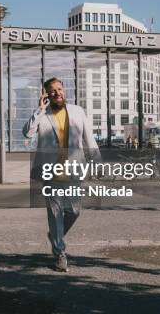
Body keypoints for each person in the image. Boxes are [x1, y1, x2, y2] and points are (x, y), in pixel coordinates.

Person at [23, 77, 101, 272]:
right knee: (56, 213)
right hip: (51, 171)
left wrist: (97, 163)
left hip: (73, 169)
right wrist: (39, 110)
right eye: (52, 90)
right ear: (46, 94)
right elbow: (27, 133)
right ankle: (59, 253)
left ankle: (55, 235)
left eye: (60, 89)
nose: (57, 92)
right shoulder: (43, 114)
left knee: (74, 211)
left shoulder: (77, 111)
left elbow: (89, 139)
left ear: (64, 90)